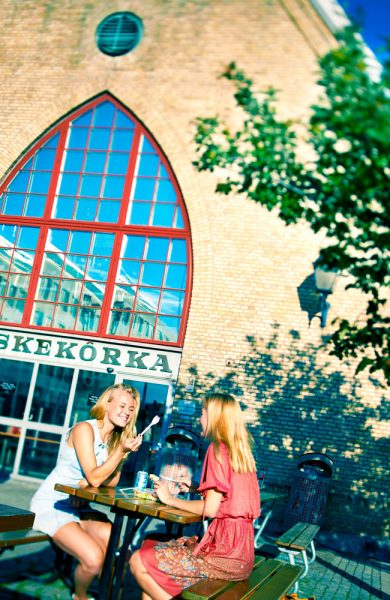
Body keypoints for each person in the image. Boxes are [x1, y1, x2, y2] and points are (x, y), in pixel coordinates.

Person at [130, 392, 260, 600]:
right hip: (241, 555)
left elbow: (209, 509)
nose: (200, 418)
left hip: (222, 555)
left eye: (203, 412)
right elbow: (230, 497)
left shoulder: (217, 448)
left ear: (215, 417)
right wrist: (197, 488)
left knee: (138, 559)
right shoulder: (240, 451)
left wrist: (169, 498)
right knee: (151, 576)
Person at [30, 383, 142, 600]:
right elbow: (95, 477)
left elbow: (111, 481)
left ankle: (108, 594)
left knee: (118, 550)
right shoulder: (84, 429)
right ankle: (80, 596)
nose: (126, 412)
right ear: (106, 404)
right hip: (51, 504)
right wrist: (117, 455)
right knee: (94, 560)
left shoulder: (114, 439)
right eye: (122, 405)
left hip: (79, 504)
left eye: (131, 409)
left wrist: (119, 454)